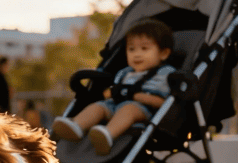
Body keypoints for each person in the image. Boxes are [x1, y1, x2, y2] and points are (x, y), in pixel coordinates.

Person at [53, 19, 175, 155]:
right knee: (98, 106)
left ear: (163, 53)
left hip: (142, 110)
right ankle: (76, 126)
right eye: (131, 49)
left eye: (144, 48)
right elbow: (109, 92)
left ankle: (107, 135)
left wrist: (135, 96)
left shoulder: (165, 73)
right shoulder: (125, 72)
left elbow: (164, 103)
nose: (137, 54)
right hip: (114, 105)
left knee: (129, 109)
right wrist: (111, 93)